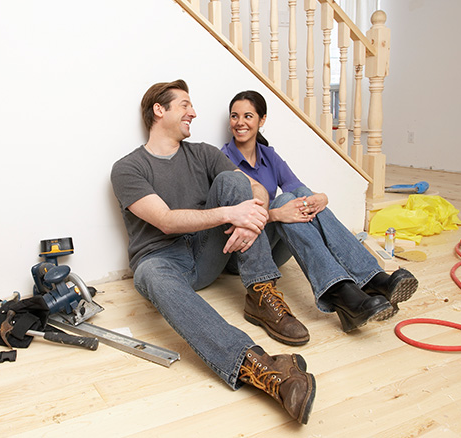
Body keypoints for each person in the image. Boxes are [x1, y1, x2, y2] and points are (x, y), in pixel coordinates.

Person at [110, 80, 316, 424]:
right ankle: (260, 367)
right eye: (185, 105)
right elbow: (165, 221)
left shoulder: (205, 152)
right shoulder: (128, 168)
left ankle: (262, 294)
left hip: (209, 252)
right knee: (147, 274)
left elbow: (253, 189)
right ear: (159, 110)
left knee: (235, 182)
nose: (193, 112)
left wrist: (248, 215)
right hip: (164, 260)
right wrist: (230, 214)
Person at [221, 90, 418, 335]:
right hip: (244, 254)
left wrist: (320, 199)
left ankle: (369, 281)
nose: (239, 122)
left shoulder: (269, 156)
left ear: (262, 120)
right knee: (284, 200)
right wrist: (278, 214)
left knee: (299, 193)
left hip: (276, 244)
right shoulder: (223, 158)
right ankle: (353, 287)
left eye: (247, 116)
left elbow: (297, 189)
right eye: (234, 116)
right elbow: (229, 218)